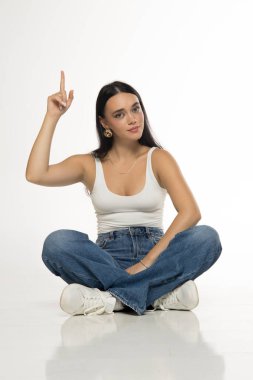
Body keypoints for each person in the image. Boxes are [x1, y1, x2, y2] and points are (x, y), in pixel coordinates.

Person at [25, 70, 222, 316]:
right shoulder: (89, 164)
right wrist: (52, 116)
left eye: (135, 108)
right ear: (105, 123)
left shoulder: (158, 158)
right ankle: (158, 295)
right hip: (106, 259)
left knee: (206, 238)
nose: (132, 119)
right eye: (120, 114)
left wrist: (146, 263)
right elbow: (36, 174)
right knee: (57, 243)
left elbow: (191, 212)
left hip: (157, 252)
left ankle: (111, 300)